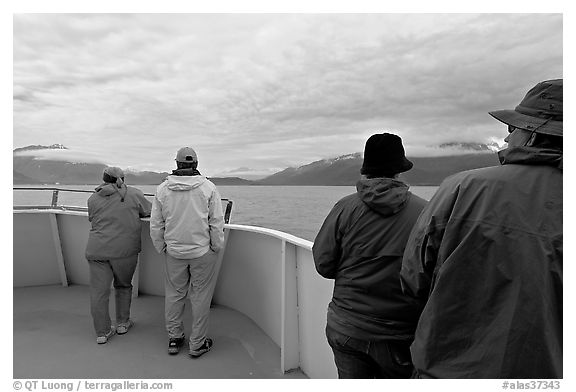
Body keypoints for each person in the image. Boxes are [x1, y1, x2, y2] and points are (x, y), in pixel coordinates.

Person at [400, 79, 563, 378]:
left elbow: (413, 280)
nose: (508, 133)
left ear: (534, 135)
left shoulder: (462, 187)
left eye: (516, 127)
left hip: (446, 369)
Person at [312, 133, 427, 378]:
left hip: (347, 328)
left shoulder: (344, 208)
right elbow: (430, 275)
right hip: (399, 335)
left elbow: (323, 264)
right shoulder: (426, 212)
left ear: (366, 169)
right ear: (399, 170)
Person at [150, 147, 225, 357]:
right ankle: (197, 343)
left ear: (177, 164)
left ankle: (175, 338)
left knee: (174, 295)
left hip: (174, 252)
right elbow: (216, 223)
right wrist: (216, 246)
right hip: (202, 252)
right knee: (200, 297)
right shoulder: (208, 188)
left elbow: (156, 224)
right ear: (196, 164)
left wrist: (161, 246)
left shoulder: (163, 189)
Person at [86, 166, 152, 344]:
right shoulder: (134, 194)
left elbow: (92, 218)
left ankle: (102, 332)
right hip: (124, 251)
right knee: (123, 286)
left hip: (96, 251)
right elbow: (149, 211)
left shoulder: (93, 198)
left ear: (104, 179)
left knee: (99, 293)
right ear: (122, 179)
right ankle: (122, 323)